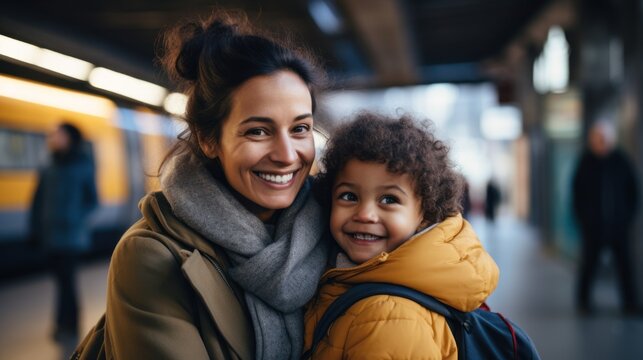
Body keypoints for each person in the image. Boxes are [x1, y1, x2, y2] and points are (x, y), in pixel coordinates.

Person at [101, 11, 329, 360]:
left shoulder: (341, 227)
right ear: (209, 139)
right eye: (258, 131)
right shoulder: (151, 258)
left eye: (300, 128)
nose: (287, 155)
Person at [303, 113, 500, 359]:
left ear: (425, 215)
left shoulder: (387, 318)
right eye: (349, 196)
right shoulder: (351, 277)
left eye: (389, 200)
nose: (365, 214)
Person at [29, 122, 98, 341]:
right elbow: (37, 201)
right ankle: (64, 324)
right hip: (50, 234)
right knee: (61, 281)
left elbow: (93, 200)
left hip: (71, 235)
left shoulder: (83, 165)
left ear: (70, 138)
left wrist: (75, 218)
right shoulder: (48, 166)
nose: (54, 138)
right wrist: (34, 228)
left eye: (58, 135)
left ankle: (67, 325)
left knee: (67, 280)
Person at [572, 120, 639, 315]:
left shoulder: (621, 161)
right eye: (597, 138)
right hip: (593, 227)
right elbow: (577, 195)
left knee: (625, 266)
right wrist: (584, 220)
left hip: (618, 226)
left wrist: (626, 218)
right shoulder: (586, 162)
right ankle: (583, 303)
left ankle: (630, 303)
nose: (600, 142)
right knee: (588, 265)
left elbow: (633, 192)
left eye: (603, 139)